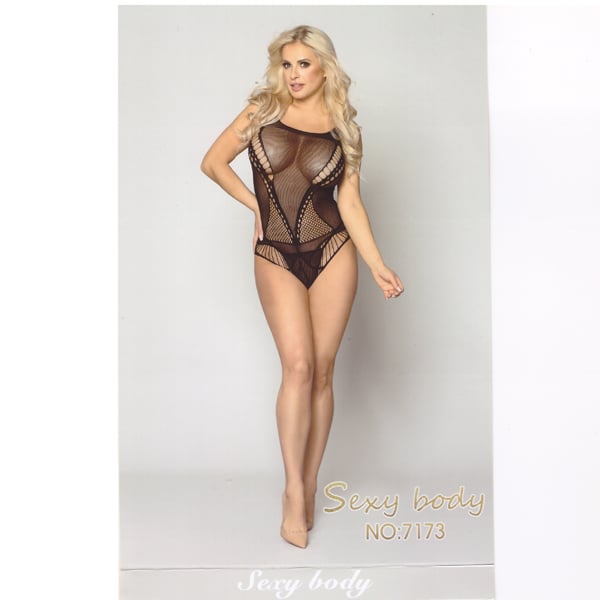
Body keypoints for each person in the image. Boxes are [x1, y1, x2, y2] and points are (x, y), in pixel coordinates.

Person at [201, 25, 404, 549]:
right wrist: (257, 208)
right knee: (297, 365)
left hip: (333, 248)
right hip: (275, 251)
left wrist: (377, 263)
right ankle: (293, 489)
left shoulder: (344, 127)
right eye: (287, 64)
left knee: (323, 371)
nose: (293, 74)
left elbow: (349, 202)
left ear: (324, 68)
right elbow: (212, 163)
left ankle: (311, 481)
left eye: (304, 64)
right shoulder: (260, 112)